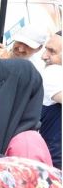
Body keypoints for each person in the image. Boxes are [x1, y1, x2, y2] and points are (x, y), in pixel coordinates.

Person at [40, 31, 62, 168]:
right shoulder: (53, 72)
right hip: (53, 163)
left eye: (52, 51)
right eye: (45, 49)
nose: (43, 56)